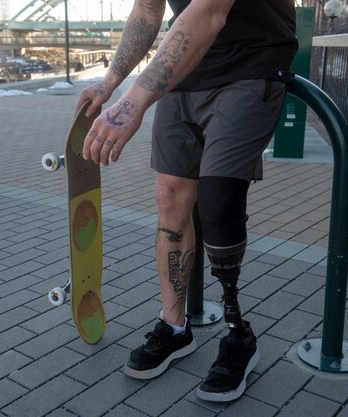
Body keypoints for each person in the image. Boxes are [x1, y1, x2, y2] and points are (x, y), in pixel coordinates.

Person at [77, 0, 298, 402]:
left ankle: (238, 335)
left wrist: (133, 101)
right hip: (188, 70)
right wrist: (110, 82)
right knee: (169, 196)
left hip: (251, 64)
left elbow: (209, 12)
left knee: (217, 196)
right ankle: (175, 327)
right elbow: (147, 12)